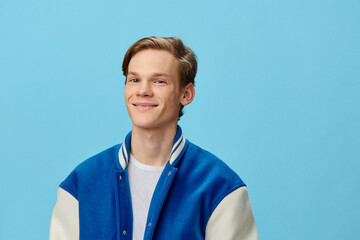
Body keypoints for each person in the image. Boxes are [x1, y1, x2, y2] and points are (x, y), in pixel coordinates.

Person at [49, 36, 258, 240]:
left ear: (186, 94)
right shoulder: (81, 184)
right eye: (134, 79)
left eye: (159, 81)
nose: (143, 91)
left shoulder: (220, 187)